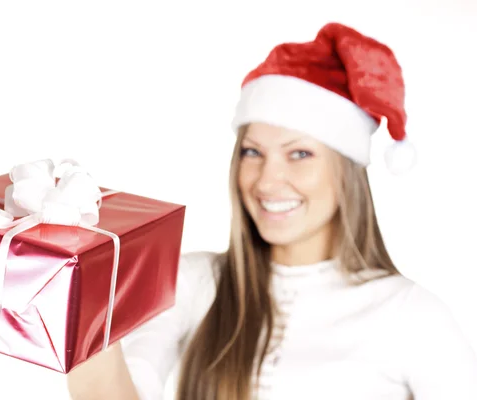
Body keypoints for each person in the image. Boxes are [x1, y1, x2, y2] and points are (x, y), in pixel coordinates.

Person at [66, 22, 477, 400]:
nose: (266, 180)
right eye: (252, 152)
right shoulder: (193, 283)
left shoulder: (412, 316)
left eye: (299, 153)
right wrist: (82, 274)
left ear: (346, 172)